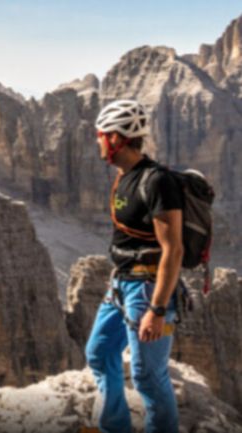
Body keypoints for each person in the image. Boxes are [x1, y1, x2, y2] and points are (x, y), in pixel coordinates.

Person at [85, 100, 183, 433]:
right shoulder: (124, 177)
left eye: (100, 135)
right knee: (99, 353)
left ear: (116, 138)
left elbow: (173, 249)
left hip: (148, 290)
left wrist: (156, 309)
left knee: (148, 377)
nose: (97, 141)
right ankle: (115, 427)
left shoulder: (157, 181)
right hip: (120, 286)